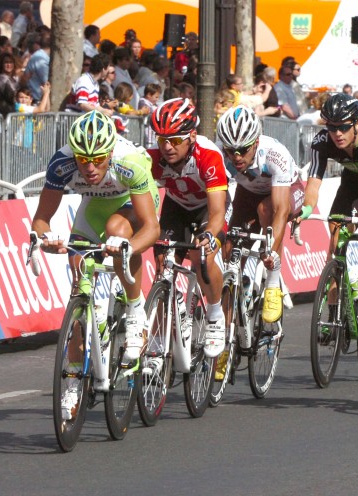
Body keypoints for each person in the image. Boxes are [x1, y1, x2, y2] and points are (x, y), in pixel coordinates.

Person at [31, 111, 160, 418]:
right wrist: (44, 239)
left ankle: (135, 311)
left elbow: (151, 228)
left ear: (110, 153)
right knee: (79, 286)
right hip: (94, 208)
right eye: (83, 159)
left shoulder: (128, 161)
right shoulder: (62, 163)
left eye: (98, 160)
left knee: (118, 231)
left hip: (131, 204)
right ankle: (74, 381)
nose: (90, 167)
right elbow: (41, 218)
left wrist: (128, 248)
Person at [298, 93, 358, 334]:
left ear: (356, 124)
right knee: (336, 243)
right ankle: (333, 313)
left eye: (343, 127)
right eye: (332, 127)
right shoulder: (322, 142)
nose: (337, 133)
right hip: (352, 182)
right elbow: (313, 186)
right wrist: (306, 208)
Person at [147, 98, 230, 359]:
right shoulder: (153, 158)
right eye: (162, 140)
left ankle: (215, 315)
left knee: (201, 255)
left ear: (192, 136)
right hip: (177, 207)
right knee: (163, 268)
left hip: (209, 207)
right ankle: (158, 340)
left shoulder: (208, 155)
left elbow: (217, 213)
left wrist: (209, 235)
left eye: (174, 140)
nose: (167, 147)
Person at [217, 105, 304, 321]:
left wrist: (270, 251)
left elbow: (280, 210)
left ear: (256, 142)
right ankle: (226, 329)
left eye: (243, 149)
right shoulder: (219, 154)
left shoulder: (274, 154)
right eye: (231, 151)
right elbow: (219, 200)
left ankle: (273, 285)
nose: (236, 157)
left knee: (267, 210)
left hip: (287, 190)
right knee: (230, 250)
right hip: (248, 193)